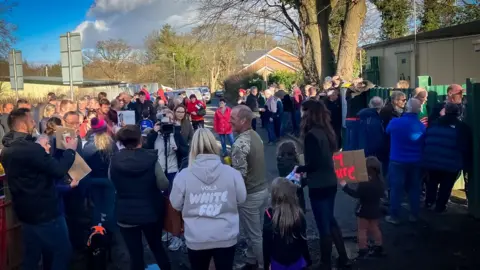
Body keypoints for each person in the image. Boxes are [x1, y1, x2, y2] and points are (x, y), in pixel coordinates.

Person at [0, 108, 77, 270]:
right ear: (22, 124)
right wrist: (70, 150)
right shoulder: (31, 149)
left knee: (32, 254)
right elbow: (58, 171)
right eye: (31, 120)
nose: (34, 123)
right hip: (44, 211)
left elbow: (31, 172)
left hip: (24, 210)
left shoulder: (7, 148)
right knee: (63, 251)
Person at [170, 128, 247, 270]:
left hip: (196, 237)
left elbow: (175, 204)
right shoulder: (232, 173)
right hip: (226, 235)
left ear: (192, 148)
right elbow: (242, 199)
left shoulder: (183, 176)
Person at [294, 99, 351, 269]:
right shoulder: (327, 131)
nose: (301, 114)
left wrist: (299, 169)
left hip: (318, 184)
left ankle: (325, 262)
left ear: (309, 113)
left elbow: (314, 163)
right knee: (330, 220)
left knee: (323, 225)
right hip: (330, 181)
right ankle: (343, 258)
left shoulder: (312, 135)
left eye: (303, 111)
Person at [230, 105, 268, 269]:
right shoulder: (256, 136)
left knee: (254, 235)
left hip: (250, 195)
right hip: (262, 190)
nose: (230, 121)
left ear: (243, 120)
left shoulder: (240, 144)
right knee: (256, 231)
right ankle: (252, 260)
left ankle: (263, 265)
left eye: (233, 118)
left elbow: (239, 178)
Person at [145, 110, 189, 251]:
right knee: (160, 204)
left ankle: (177, 234)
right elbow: (145, 149)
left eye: (169, 119)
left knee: (174, 205)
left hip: (172, 171)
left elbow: (186, 151)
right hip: (158, 172)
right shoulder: (154, 134)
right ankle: (167, 230)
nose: (167, 122)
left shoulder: (175, 133)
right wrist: (153, 132)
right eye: (164, 120)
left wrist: (178, 148)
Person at [423, 102, 472, 213]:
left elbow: (428, 139)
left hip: (433, 160)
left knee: (432, 182)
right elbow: (464, 146)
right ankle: (440, 206)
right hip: (451, 162)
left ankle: (429, 202)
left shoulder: (435, 123)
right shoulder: (462, 127)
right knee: (446, 185)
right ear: (458, 112)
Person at [385, 98, 426, 224]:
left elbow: (387, 132)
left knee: (396, 189)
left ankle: (394, 216)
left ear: (406, 108)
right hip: (415, 161)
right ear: (419, 110)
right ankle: (414, 214)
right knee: (414, 188)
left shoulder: (395, 122)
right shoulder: (421, 127)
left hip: (397, 159)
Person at [340, 156, 386, 259]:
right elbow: (382, 194)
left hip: (364, 210)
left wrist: (345, 187)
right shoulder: (380, 183)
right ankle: (379, 245)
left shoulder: (364, 183)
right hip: (375, 209)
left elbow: (356, 194)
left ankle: (362, 249)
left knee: (362, 230)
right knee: (375, 228)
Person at [263, 178, 310, 270]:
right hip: (296, 260)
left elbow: (267, 243)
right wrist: (307, 259)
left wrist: (266, 263)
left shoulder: (269, 214)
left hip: (277, 261)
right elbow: (303, 240)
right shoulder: (298, 214)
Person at [83, 117, 117, 231]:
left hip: (93, 179)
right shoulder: (111, 144)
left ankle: (97, 233)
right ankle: (111, 233)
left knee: (96, 207)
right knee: (109, 208)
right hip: (108, 179)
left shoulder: (87, 146)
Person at [276, 140, 306, 212]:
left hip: (285, 193)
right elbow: (298, 184)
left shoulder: (281, 163)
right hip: (296, 197)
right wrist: (307, 180)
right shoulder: (294, 166)